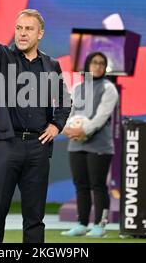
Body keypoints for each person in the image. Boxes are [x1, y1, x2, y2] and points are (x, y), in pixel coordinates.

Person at [0, 9, 71, 243]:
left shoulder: (51, 65)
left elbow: (65, 101)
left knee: (35, 218)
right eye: (19, 28)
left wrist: (56, 125)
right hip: (6, 144)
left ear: (40, 34)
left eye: (28, 29)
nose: (22, 34)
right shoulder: (3, 56)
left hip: (38, 147)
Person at [61, 52, 118, 237]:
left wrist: (84, 131)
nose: (98, 66)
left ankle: (100, 225)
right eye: (94, 62)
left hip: (99, 145)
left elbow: (102, 116)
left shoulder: (109, 88)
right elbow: (69, 112)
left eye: (102, 63)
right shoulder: (77, 88)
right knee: (81, 185)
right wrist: (67, 129)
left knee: (98, 185)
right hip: (76, 144)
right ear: (87, 64)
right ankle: (82, 224)